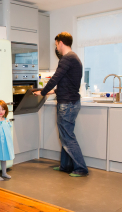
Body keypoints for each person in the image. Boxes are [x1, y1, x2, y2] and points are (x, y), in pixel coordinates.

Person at [34, 32, 88, 177]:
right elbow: (69, 84)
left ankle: (81, 168)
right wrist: (54, 92)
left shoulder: (66, 59)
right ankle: (65, 166)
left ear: (61, 43)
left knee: (67, 137)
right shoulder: (75, 58)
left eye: (56, 44)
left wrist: (43, 92)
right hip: (72, 102)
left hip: (67, 104)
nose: (56, 47)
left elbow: (55, 78)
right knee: (65, 136)